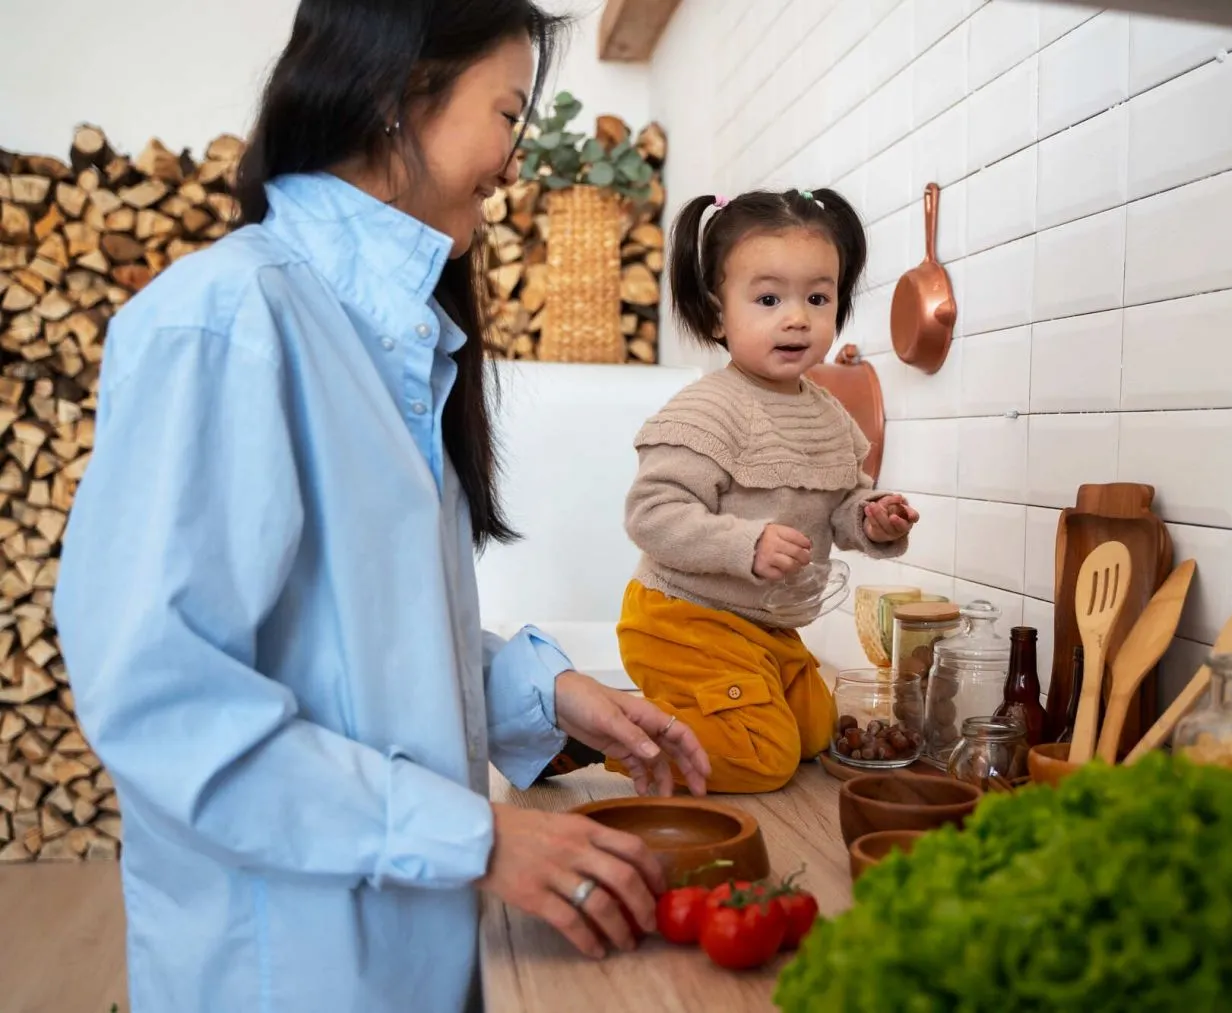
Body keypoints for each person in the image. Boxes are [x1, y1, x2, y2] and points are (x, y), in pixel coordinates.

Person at [51, 2, 710, 1010]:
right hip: (292, 971)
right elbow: (164, 697)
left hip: (416, 951)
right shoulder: (224, 322)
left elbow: (358, 645)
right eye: (507, 115)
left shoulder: (390, 339)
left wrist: (547, 692)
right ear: (400, 94)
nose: (512, 161)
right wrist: (477, 837)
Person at [611, 189, 919, 795]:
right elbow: (651, 515)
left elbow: (842, 505)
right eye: (770, 299)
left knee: (818, 733)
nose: (797, 318)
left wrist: (872, 518)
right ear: (717, 314)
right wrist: (745, 546)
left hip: (765, 627)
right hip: (686, 620)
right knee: (765, 757)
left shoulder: (827, 415)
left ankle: (689, 718)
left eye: (818, 298)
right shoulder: (709, 410)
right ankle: (610, 735)